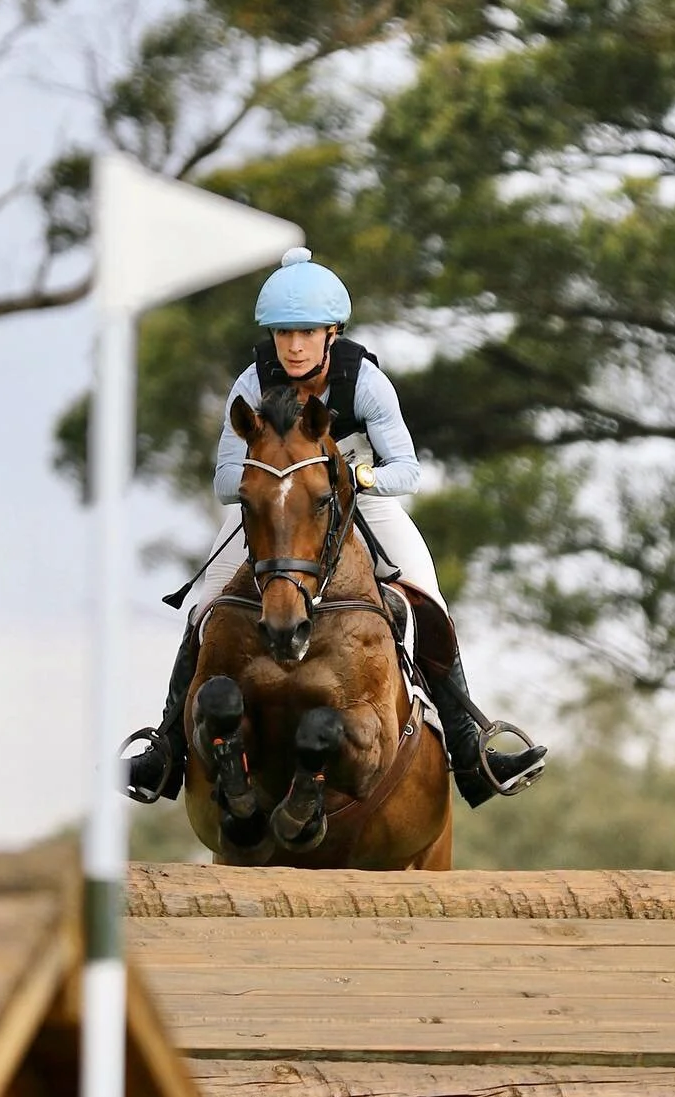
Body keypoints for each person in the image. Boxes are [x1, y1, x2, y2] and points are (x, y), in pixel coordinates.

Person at [126, 247, 547, 808]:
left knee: (427, 598)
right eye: (282, 334)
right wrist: (281, 479)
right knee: (205, 605)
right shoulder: (251, 383)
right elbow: (226, 479)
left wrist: (350, 477)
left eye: (305, 332)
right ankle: (167, 750)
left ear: (332, 332)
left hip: (357, 498)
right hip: (275, 506)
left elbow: (408, 470)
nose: (293, 346)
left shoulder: (365, 382)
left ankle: (471, 753)